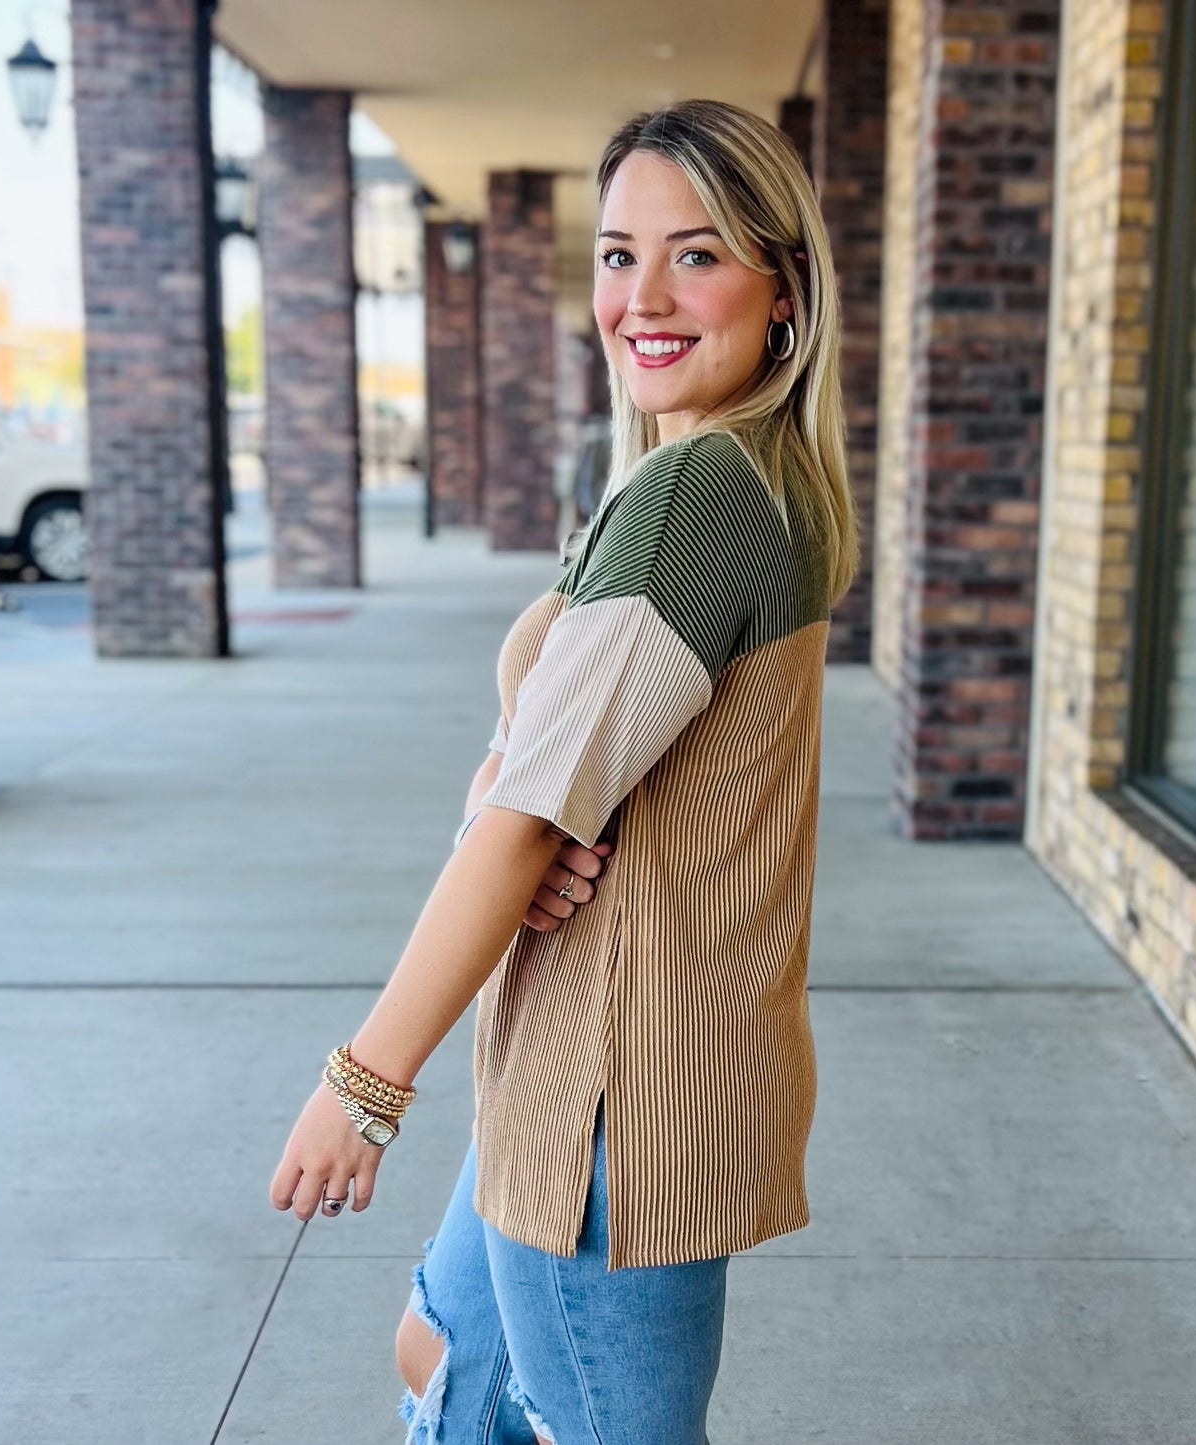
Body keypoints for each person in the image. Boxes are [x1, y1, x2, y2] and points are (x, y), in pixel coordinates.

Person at [269, 97, 857, 1445]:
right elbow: (550, 779)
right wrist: (517, 794)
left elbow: (527, 824)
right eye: (613, 254)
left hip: (613, 1099)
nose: (639, 295)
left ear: (783, 288)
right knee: (439, 1348)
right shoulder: (751, 472)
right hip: (584, 1075)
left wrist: (363, 1083)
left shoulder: (694, 495)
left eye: (696, 254)